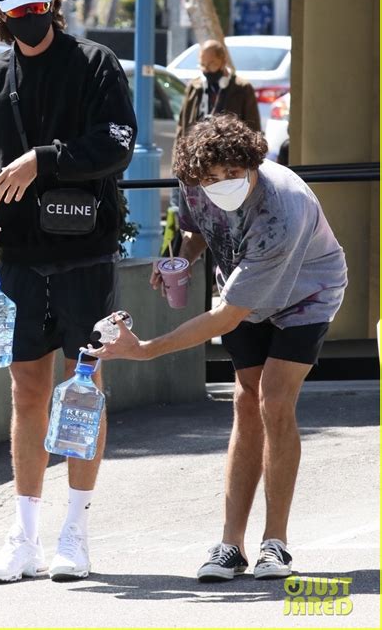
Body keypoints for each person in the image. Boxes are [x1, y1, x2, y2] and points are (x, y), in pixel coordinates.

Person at [89, 113, 347, 582]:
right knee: (245, 402)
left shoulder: (281, 209)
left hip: (307, 293)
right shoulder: (194, 184)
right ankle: (231, 545)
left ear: (250, 163)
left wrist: (145, 349)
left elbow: (226, 316)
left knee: (273, 398)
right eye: (211, 178)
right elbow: (196, 230)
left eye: (232, 173)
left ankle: (276, 544)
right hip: (242, 284)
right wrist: (181, 260)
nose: (221, 184)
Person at [0, 0, 137, 583]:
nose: (29, 20)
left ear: (52, 6)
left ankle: (75, 534)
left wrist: (43, 159)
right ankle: (23, 536)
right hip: (20, 263)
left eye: (38, 8)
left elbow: (117, 143)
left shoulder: (95, 65)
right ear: (1, 15)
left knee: (83, 390)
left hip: (85, 256)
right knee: (26, 392)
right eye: (17, 10)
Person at [163, 39, 260, 255]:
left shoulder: (242, 88)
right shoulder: (195, 87)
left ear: (223, 61)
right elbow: (183, 127)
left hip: (228, 173)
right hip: (198, 168)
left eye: (212, 64)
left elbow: (253, 130)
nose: (207, 70)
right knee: (194, 227)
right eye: (203, 65)